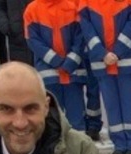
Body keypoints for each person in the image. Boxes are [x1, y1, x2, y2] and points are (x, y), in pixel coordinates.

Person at [80, 0, 131, 154]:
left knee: (129, 105)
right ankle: (119, 146)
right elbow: (87, 30)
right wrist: (103, 53)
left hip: (125, 61)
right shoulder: (86, 3)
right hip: (103, 62)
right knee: (111, 106)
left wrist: (116, 52)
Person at [24, 0, 89, 134]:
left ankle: (77, 152)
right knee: (52, 119)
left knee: (76, 119)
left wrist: (69, 62)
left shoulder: (73, 7)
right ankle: (55, 151)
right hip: (52, 75)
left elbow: (81, 36)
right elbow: (33, 41)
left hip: (71, 74)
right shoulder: (32, 10)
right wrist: (59, 62)